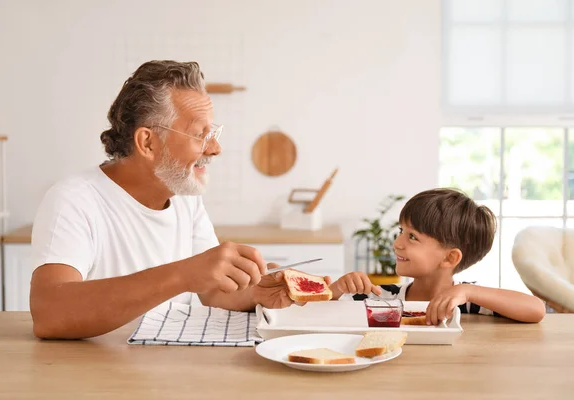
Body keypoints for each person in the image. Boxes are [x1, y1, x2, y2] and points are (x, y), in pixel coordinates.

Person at [30, 60, 294, 340]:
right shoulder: (74, 200)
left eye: (213, 133)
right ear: (147, 143)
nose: (215, 149)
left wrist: (256, 291)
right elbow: (50, 313)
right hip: (95, 378)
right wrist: (183, 274)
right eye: (199, 135)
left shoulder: (184, 197)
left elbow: (212, 289)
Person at [329, 188, 546, 324]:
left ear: (450, 258)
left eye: (412, 237)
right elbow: (318, 307)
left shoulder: (467, 302)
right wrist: (338, 288)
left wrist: (468, 290)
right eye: (400, 232)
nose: (397, 244)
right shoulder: (383, 299)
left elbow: (536, 309)